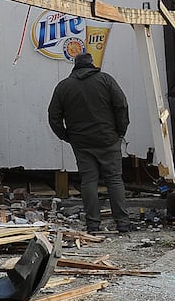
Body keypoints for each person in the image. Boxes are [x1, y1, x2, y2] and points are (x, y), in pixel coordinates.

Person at [48, 52, 132, 233]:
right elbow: (122, 106)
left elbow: (53, 118)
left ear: (75, 66)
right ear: (92, 64)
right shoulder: (106, 80)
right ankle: (123, 224)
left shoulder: (64, 87)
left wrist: (67, 136)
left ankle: (93, 225)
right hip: (108, 139)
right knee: (114, 180)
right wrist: (120, 131)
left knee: (89, 181)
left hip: (81, 143)